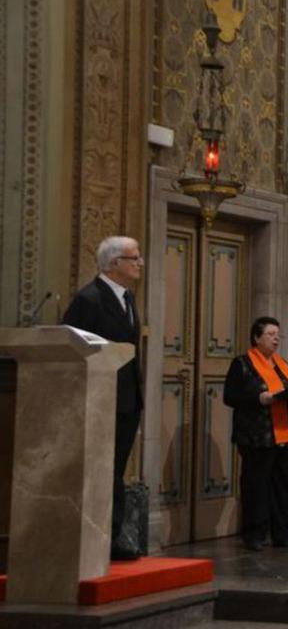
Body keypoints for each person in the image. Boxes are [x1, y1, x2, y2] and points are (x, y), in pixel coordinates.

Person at [62, 236, 145, 560]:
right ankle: (93, 540)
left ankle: (110, 538)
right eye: (134, 258)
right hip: (98, 399)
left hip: (125, 400)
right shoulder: (89, 299)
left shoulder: (128, 299)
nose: (139, 263)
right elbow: (71, 350)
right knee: (98, 471)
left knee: (114, 472)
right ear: (114, 264)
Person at [222, 316, 288, 551]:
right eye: (270, 334)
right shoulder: (243, 363)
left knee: (282, 485)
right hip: (256, 436)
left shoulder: (281, 364)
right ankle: (254, 534)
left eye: (278, 334)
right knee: (256, 485)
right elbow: (230, 396)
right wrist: (258, 398)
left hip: (283, 433)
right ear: (256, 338)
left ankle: (282, 533)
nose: (276, 338)